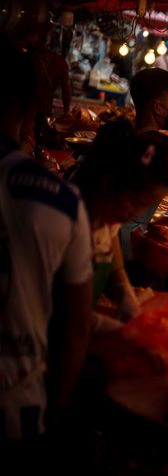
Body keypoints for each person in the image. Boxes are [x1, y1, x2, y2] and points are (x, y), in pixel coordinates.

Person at [0, 39, 93, 443]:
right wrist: (59, 411)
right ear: (29, 108)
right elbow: (77, 327)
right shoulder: (62, 201)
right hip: (17, 405)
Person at [68, 120, 168, 318]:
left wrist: (126, 296)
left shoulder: (108, 218)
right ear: (110, 183)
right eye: (136, 203)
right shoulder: (69, 222)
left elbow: (115, 269)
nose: (137, 214)